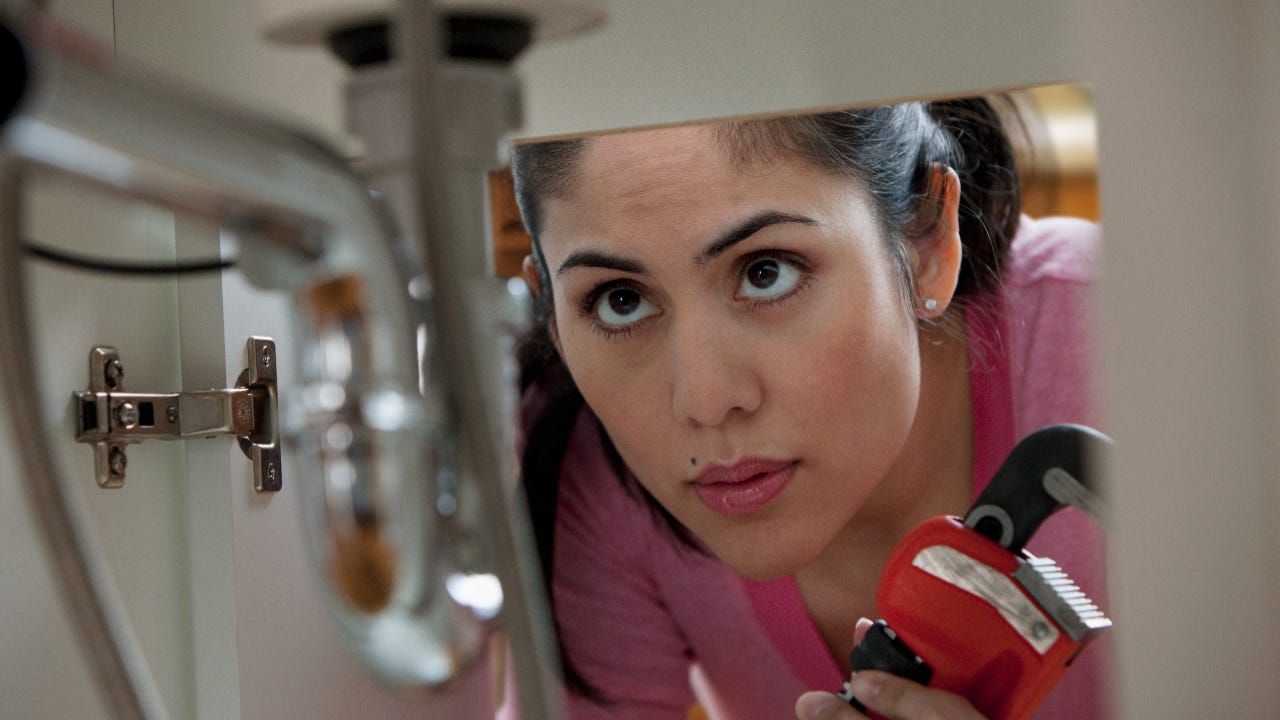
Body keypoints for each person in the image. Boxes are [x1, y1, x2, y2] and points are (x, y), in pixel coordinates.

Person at [508, 97, 1108, 720]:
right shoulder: (586, 472)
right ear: (552, 313)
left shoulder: (1132, 347)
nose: (707, 402)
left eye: (767, 273)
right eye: (620, 301)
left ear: (928, 241)